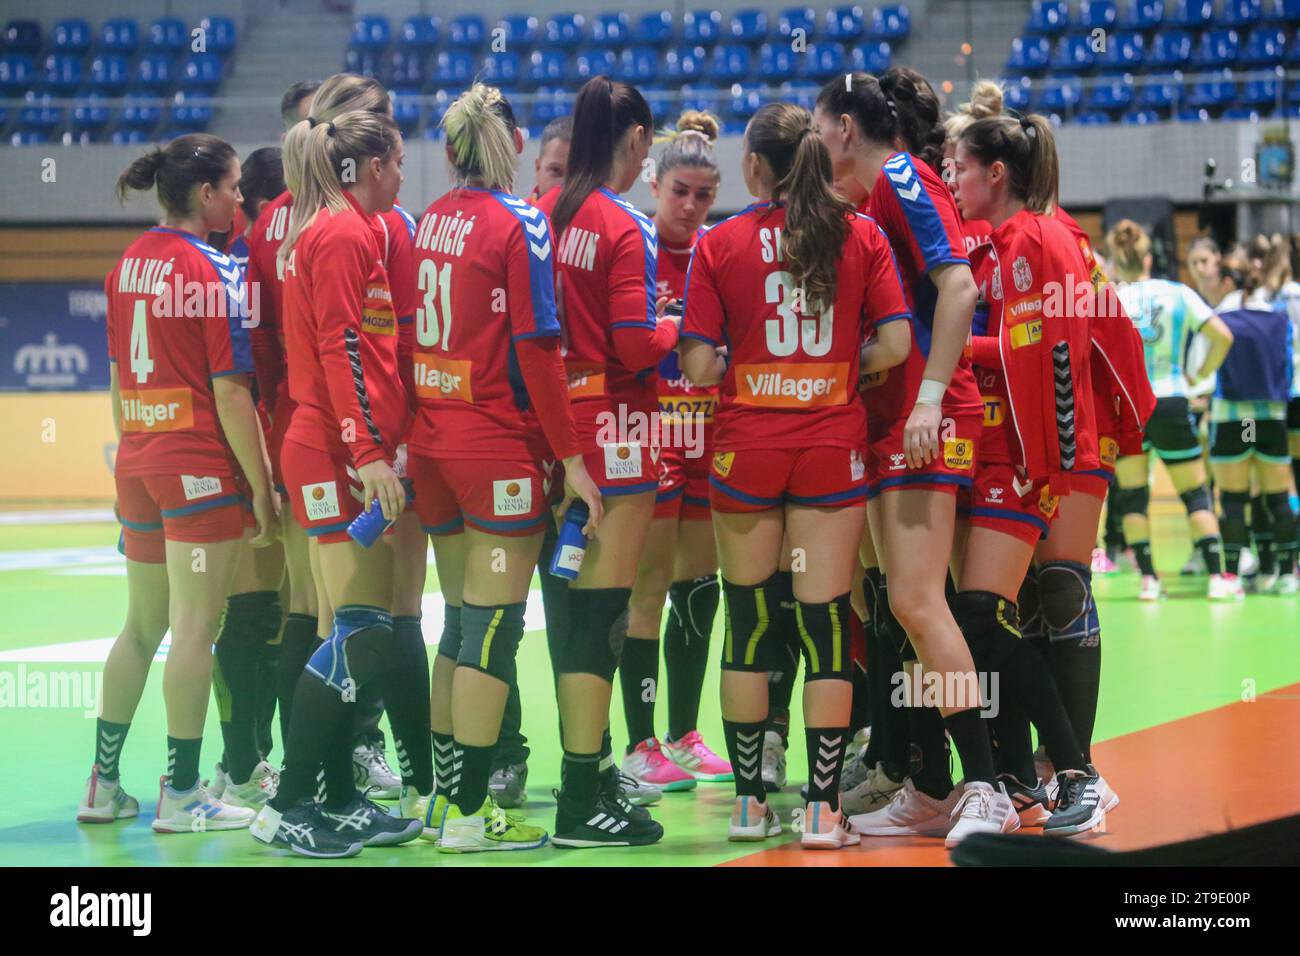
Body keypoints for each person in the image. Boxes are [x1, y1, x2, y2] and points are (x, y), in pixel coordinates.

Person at [681, 101, 914, 847]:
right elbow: (900, 342)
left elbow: (695, 363)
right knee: (825, 626)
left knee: (746, 620)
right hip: (828, 450)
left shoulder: (720, 244)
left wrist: (741, 367)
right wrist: (841, 366)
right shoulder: (861, 233)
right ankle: (821, 811)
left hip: (745, 448)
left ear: (754, 167)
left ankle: (750, 805)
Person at [814, 71, 1018, 846]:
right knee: (895, 607)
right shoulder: (866, 202)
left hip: (923, 421)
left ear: (842, 130)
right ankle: (930, 789)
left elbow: (959, 288)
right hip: (885, 422)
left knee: (920, 602)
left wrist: (930, 397)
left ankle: (988, 789)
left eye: (817, 128)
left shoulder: (900, 176)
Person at [408, 84, 603, 851]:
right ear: (512, 146)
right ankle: (465, 816)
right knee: (492, 631)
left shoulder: (431, 221)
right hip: (493, 451)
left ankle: (441, 802)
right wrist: (573, 460)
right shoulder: (517, 223)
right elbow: (539, 352)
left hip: (432, 445)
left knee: (457, 625)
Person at [79, 134, 276, 833]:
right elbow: (231, 395)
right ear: (203, 196)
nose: (240, 199)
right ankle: (185, 791)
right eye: (230, 188)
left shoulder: (125, 266)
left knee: (140, 627)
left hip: (136, 460)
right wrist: (262, 486)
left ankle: (102, 786)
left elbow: (114, 376)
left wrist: (128, 455)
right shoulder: (213, 271)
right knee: (197, 630)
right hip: (198, 468)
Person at [249, 108, 423, 857]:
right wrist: (367, 451)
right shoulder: (347, 232)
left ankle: (340, 800)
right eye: (397, 161)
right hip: (330, 453)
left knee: (349, 630)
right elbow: (342, 345)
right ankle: (290, 804)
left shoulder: (321, 227)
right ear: (373, 167)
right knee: (358, 632)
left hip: (332, 448)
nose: (404, 174)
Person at [950, 110, 1127, 836]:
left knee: (1042, 596)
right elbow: (1036, 350)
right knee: (1005, 611)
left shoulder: (1036, 239)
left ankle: (1076, 773)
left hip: (1042, 453)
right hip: (1030, 450)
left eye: (959, 164)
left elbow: (1052, 356)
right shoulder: (1012, 239)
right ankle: (1030, 777)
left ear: (997, 171)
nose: (951, 178)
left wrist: (1052, 464)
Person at [536, 76, 680, 847]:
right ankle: (580, 798)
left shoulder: (543, 217)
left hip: (551, 433)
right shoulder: (624, 227)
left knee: (568, 615)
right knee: (601, 619)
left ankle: (584, 783)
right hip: (614, 435)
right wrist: (673, 328)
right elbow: (632, 341)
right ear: (634, 141)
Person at [620, 110, 732, 792]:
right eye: (678, 192)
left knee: (698, 588)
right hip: (649, 437)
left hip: (709, 439)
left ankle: (685, 733)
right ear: (654, 185)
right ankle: (640, 742)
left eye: (702, 194)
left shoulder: (719, 251)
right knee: (648, 587)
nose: (690, 206)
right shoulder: (631, 244)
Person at [207, 146, 290, 811]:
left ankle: (250, 761)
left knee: (268, 616)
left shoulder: (243, 263)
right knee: (257, 613)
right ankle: (241, 766)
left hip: (253, 448)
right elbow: (237, 381)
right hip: (245, 453)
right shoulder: (239, 267)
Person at [1108, 220, 1238, 601]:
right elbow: (1223, 336)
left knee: (1132, 496)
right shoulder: (1178, 293)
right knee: (1195, 492)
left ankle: (1149, 580)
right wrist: (1200, 375)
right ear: (1149, 258)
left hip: (1129, 405)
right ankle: (1217, 578)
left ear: (1118, 261)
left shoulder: (1112, 298)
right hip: (1171, 399)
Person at [1210, 237, 1299, 594]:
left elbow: (1209, 355)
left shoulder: (1222, 312)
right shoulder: (1277, 314)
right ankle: (1286, 572)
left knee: (1234, 498)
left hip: (1234, 417)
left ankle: (1230, 575)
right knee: (1277, 496)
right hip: (1270, 415)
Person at [529, 115, 572, 203]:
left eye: (575, 176)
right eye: (556, 170)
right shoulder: (513, 216)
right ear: (538, 168)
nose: (564, 184)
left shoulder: (600, 215)